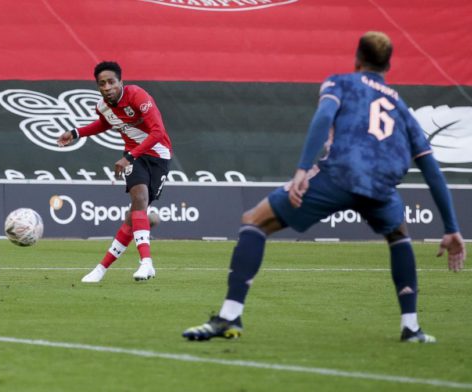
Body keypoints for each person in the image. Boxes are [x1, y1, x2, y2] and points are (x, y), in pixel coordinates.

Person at [182, 32, 466, 343]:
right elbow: (432, 170)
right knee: (399, 235)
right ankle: (411, 327)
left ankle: (229, 316)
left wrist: (303, 169)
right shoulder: (400, 105)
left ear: (357, 59)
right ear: (388, 66)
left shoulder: (340, 83)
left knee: (254, 221)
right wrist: (451, 227)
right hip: (382, 186)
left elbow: (324, 117)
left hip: (339, 174)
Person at [57, 61, 173, 283]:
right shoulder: (103, 106)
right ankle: (146, 263)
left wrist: (128, 157)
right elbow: (105, 124)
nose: (107, 87)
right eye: (102, 83)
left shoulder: (138, 96)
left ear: (121, 81)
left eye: (111, 82)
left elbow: (158, 132)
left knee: (133, 216)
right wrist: (76, 132)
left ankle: (101, 268)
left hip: (158, 155)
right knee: (139, 198)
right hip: (133, 155)